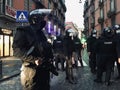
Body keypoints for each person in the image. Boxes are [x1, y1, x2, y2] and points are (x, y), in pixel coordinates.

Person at [12, 9, 58, 90]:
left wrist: (50, 56)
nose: (42, 21)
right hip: (31, 71)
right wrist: (34, 60)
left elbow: (45, 47)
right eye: (40, 19)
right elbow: (17, 51)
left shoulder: (41, 33)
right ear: (35, 20)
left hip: (44, 70)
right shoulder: (23, 31)